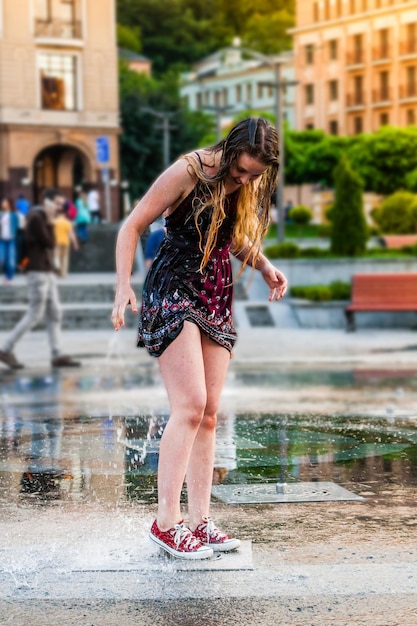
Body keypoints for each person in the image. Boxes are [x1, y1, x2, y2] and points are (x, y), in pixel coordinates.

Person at [111, 117, 288, 561]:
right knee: (189, 405)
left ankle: (199, 520)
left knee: (209, 412)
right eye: (238, 172)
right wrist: (122, 286)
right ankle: (165, 521)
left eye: (253, 175)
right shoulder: (188, 171)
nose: (243, 180)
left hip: (214, 291)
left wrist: (264, 265)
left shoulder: (243, 181)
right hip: (173, 286)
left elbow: (231, 237)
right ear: (228, 153)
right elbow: (131, 225)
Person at [0, 188, 81, 370]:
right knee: (35, 313)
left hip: (46, 269)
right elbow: (50, 242)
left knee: (55, 312)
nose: (60, 208)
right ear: (48, 201)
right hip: (37, 271)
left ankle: (57, 354)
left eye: (62, 205)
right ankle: (5, 348)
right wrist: (52, 222)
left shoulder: (44, 217)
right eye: (58, 204)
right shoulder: (37, 217)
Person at [54, 207, 79, 277]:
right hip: (65, 242)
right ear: (64, 214)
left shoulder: (54, 222)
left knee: (56, 256)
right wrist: (75, 242)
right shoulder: (67, 222)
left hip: (56, 242)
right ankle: (64, 274)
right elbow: (70, 233)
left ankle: (57, 266)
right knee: (65, 258)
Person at [0, 198, 20, 283]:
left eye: (4, 202)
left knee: (11, 259)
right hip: (2, 239)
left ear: (8, 203)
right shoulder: (2, 214)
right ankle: (6, 275)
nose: (2, 203)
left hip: (11, 239)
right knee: (2, 259)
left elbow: (17, 226)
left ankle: (9, 278)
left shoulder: (14, 214)